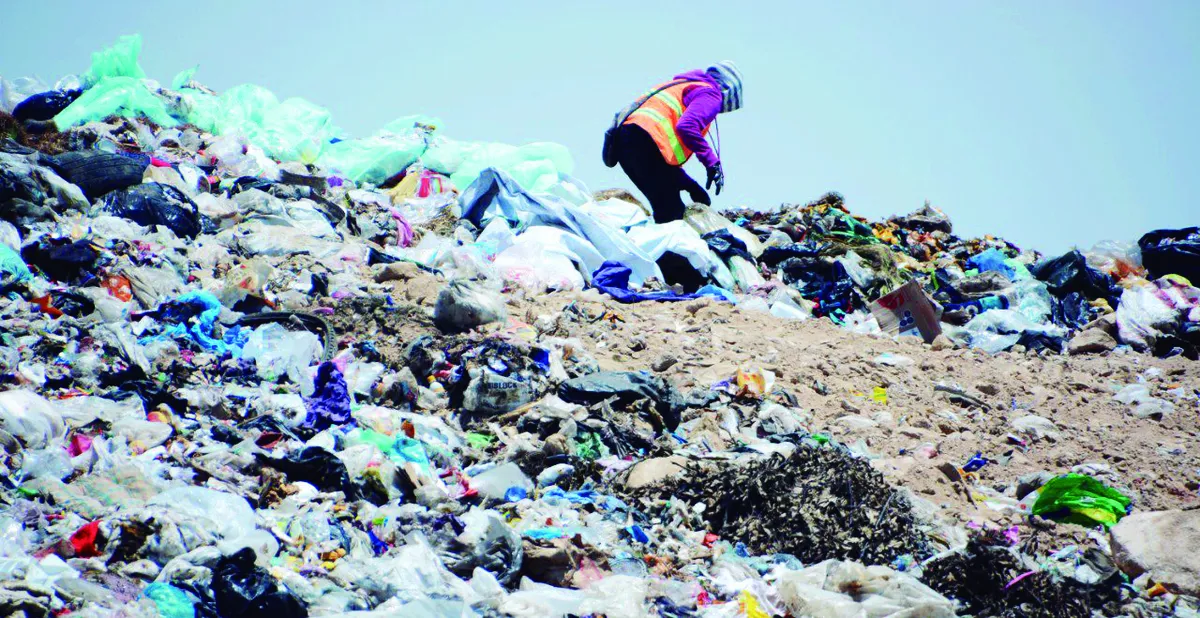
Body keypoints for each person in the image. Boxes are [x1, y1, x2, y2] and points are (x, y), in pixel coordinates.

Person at [612, 62, 743, 223]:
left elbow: (659, 155)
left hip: (624, 143)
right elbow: (687, 126)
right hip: (643, 143)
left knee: (666, 209)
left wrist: (690, 185)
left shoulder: (679, 86)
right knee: (672, 213)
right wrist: (712, 163)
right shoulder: (711, 93)